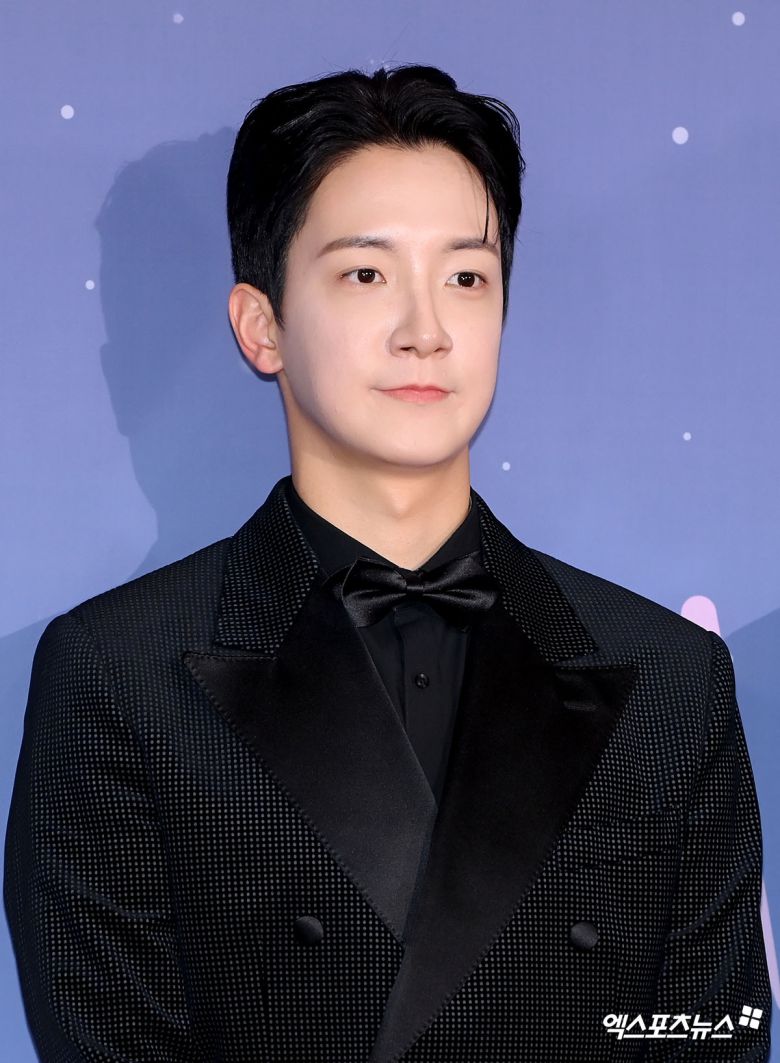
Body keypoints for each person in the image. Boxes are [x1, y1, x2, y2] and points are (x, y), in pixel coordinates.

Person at [4, 63, 771, 1062]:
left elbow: (711, 1030)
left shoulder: (673, 679)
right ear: (263, 326)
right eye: (366, 275)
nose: (426, 332)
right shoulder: (119, 675)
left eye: (466, 277)